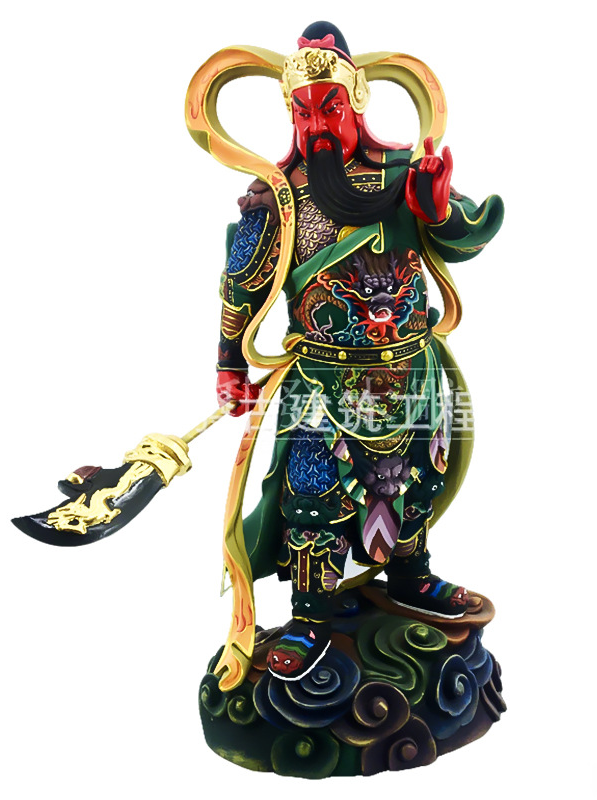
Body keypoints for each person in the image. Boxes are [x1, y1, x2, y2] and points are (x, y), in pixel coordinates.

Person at [214, 22, 504, 681]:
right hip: (323, 382)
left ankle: (410, 576)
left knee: (414, 480)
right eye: (303, 111)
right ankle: (311, 614)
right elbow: (240, 284)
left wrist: (436, 208)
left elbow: (467, 235)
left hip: (410, 370)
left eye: (331, 107)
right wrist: (229, 361)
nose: (317, 123)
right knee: (312, 496)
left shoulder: (402, 177)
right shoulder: (277, 198)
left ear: (359, 101)